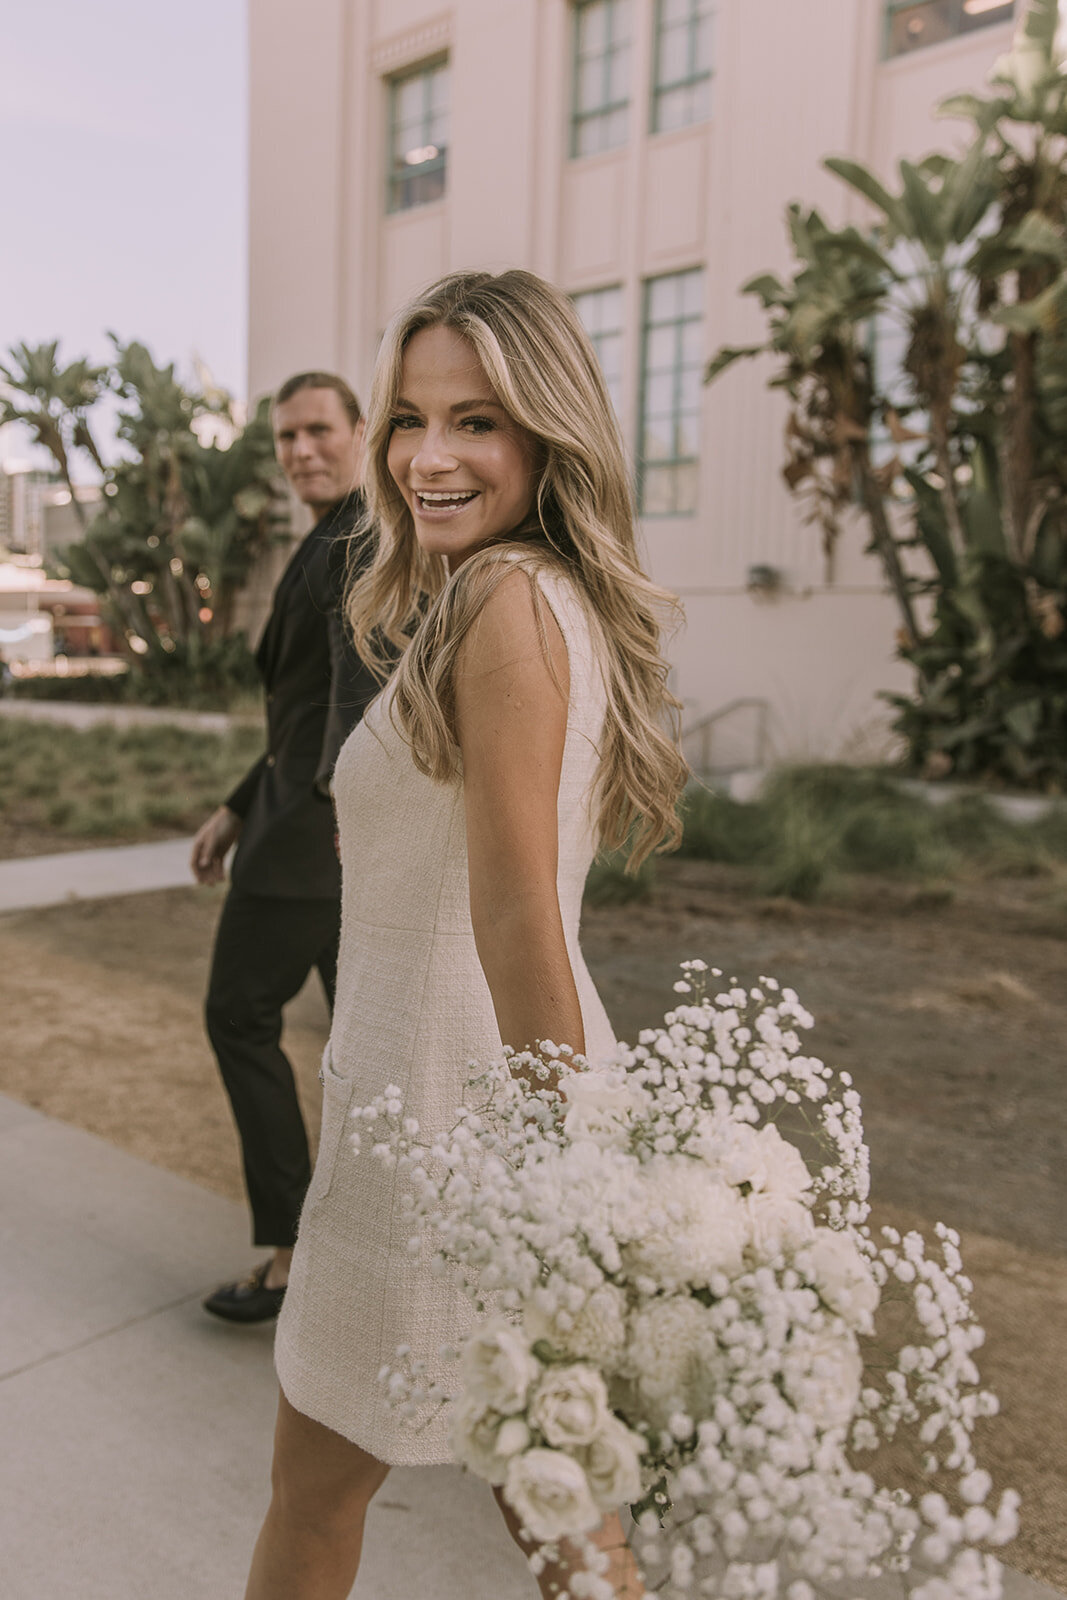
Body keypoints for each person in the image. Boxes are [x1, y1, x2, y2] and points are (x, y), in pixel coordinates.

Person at [244, 271, 688, 1599]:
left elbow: (512, 914)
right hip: (440, 1105)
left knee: (337, 1496)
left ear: (548, 432)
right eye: (409, 417)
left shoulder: (505, 598)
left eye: (477, 421)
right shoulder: (512, 592)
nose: (427, 457)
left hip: (454, 1121)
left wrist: (554, 1181)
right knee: (552, 1503)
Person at [191, 371, 380, 1323]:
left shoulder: (363, 535)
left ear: (358, 430)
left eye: (317, 430)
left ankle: (294, 1250)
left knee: (237, 1014)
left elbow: (362, 687)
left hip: (313, 838)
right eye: (285, 438)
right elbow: (300, 704)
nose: (300, 450)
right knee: (368, 1047)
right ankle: (379, 1248)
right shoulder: (329, 533)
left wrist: (322, 807)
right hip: (308, 826)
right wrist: (234, 804)